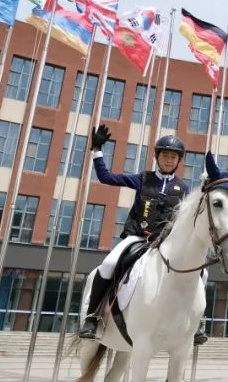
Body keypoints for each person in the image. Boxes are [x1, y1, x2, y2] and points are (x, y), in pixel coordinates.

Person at [77, 125, 207, 342]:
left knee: (203, 273)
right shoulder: (143, 179)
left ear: (178, 161)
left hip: (166, 243)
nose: (168, 160)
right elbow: (105, 177)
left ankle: (196, 323)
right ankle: (92, 318)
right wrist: (97, 150)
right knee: (109, 263)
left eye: (173, 157)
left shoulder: (183, 189)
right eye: (165, 155)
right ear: (157, 157)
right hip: (137, 237)